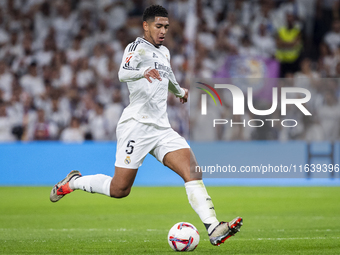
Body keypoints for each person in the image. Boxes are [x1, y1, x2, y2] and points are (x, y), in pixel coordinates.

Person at [50, 5, 242, 246]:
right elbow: (123, 73)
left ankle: (213, 227)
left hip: (161, 128)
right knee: (120, 189)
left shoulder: (165, 53)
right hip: (136, 126)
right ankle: (73, 183)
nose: (163, 31)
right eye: (158, 26)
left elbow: (168, 76)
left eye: (166, 27)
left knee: (192, 170)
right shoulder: (136, 47)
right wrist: (142, 71)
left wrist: (179, 91)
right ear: (146, 26)